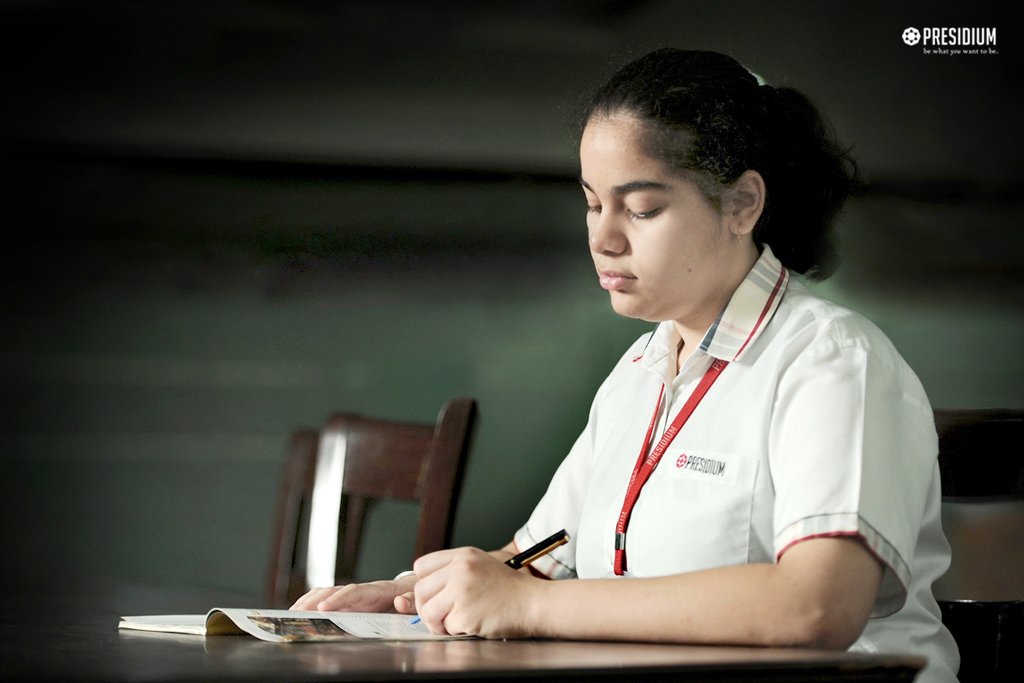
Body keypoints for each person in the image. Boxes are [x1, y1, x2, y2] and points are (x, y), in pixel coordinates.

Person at [292, 48, 959, 682]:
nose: (603, 238)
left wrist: (524, 605)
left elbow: (816, 605)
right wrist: (412, 595)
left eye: (641, 208)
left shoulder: (831, 361)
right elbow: (538, 556)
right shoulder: (638, 374)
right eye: (592, 202)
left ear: (742, 204)